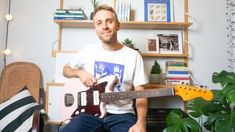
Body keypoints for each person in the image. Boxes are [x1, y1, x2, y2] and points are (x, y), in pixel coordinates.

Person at [60, 4, 148, 132]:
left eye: (109, 21)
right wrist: (79, 73)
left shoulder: (133, 56)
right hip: (89, 114)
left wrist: (141, 123)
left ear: (118, 25)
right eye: (99, 23)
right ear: (95, 28)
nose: (105, 27)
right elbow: (65, 70)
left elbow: (141, 94)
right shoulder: (87, 51)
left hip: (122, 115)